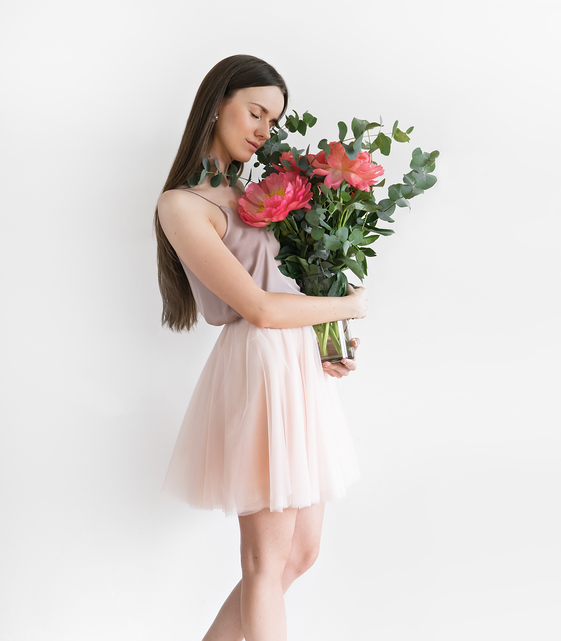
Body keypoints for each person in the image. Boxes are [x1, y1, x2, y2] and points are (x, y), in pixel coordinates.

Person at [154, 55, 365, 641]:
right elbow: (261, 308)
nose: (264, 131)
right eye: (255, 112)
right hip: (261, 366)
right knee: (264, 562)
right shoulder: (183, 205)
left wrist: (330, 336)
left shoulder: (261, 195)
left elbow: (291, 290)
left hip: (298, 368)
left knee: (300, 555)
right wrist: (350, 306)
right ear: (217, 102)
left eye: (272, 121)